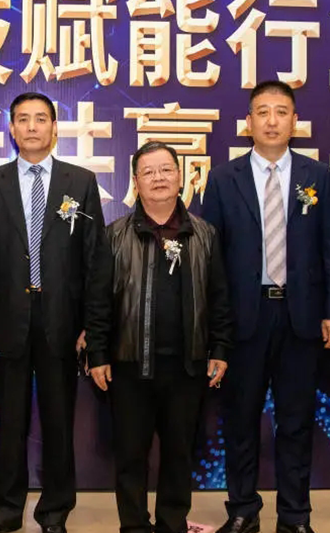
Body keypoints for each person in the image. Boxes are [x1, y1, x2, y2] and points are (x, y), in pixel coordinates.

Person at [203, 81, 330, 533]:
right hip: (244, 318)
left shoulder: (316, 176)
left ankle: (295, 516)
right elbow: (210, 258)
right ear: (248, 122)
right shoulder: (223, 178)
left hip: (301, 318)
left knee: (296, 422)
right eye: (262, 112)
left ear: (294, 121)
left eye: (281, 112)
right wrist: (215, 325)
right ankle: (242, 511)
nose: (271, 120)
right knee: (240, 421)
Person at [0, 93, 112, 533]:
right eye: (23, 119)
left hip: (61, 322)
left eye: (41, 119)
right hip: (7, 321)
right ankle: (6, 510)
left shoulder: (80, 181)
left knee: (58, 422)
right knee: (10, 422)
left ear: (54, 128)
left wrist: (90, 325)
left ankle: (54, 512)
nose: (32, 127)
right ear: (11, 129)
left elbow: (94, 260)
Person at [86, 141, 233, 533]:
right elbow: (98, 302)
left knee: (179, 455)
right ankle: (134, 526)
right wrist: (97, 354)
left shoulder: (204, 234)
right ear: (135, 182)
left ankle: (172, 523)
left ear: (180, 176)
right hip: (129, 365)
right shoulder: (114, 235)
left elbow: (220, 298)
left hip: (187, 366)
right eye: (148, 172)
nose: (158, 178)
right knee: (130, 457)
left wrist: (220, 348)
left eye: (166, 169)